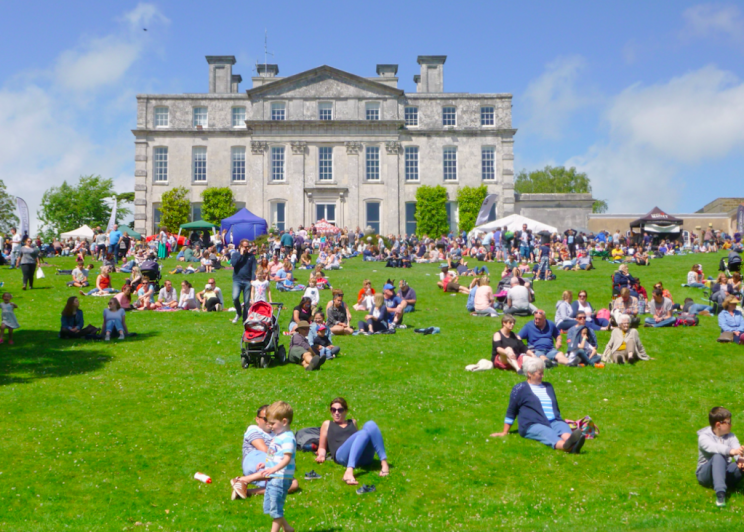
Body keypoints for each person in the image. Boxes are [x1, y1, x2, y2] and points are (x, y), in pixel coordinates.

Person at [491, 357, 586, 453]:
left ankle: (572, 441)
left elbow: (555, 407)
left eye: (543, 373)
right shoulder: (519, 388)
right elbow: (511, 411)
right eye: (540, 373)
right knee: (548, 433)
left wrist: (558, 419)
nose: (542, 376)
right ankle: (566, 447)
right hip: (533, 424)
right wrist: (504, 432)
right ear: (529, 373)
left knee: (563, 428)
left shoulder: (548, 386)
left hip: (554, 421)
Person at [230, 405, 300, 500]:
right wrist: (276, 462)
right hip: (254, 456)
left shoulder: (279, 434)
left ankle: (247, 491)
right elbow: (263, 449)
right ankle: (243, 480)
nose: (269, 424)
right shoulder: (254, 429)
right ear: (257, 419)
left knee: (293, 484)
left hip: (268, 463)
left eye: (272, 421)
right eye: (266, 419)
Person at [316, 397, 389, 485]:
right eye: (333, 410)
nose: (336, 413)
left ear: (346, 411)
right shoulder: (327, 424)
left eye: (340, 410)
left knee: (370, 424)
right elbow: (322, 447)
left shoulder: (352, 422)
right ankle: (349, 471)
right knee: (363, 433)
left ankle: (384, 463)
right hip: (342, 456)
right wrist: (321, 455)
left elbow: (359, 441)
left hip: (362, 458)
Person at [696, 406, 744, 508]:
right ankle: (720, 494)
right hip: (706, 475)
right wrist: (731, 451)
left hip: (724, 472)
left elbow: (736, 449)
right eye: (728, 422)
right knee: (718, 456)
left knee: (741, 464)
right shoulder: (704, 437)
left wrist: (741, 458)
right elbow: (716, 447)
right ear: (718, 424)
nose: (731, 425)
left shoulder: (731, 436)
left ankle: (725, 483)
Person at [260, 402, 296, 532]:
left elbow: (287, 458)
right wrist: (266, 464)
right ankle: (287, 528)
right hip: (274, 476)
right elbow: (277, 455)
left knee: (276, 508)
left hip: (281, 477)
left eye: (273, 423)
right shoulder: (278, 436)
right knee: (272, 506)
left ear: (284, 421)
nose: (270, 426)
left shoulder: (288, 438)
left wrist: (273, 469)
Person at [466, 314, 533, 372]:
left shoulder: (515, 335)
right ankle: (518, 369)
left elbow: (523, 348)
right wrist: (507, 352)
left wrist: (533, 356)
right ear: (504, 323)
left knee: (529, 359)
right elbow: (498, 349)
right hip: (501, 359)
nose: (512, 324)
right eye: (510, 322)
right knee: (508, 349)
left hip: (514, 358)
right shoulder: (497, 335)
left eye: (513, 323)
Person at [231, 239, 256, 324]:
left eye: (247, 246)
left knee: (246, 301)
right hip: (237, 280)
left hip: (247, 281)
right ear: (240, 246)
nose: (246, 248)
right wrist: (241, 255)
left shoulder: (251, 257)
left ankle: (245, 319)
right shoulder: (235, 255)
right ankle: (238, 313)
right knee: (235, 297)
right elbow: (233, 264)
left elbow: (254, 269)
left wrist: (253, 279)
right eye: (244, 246)